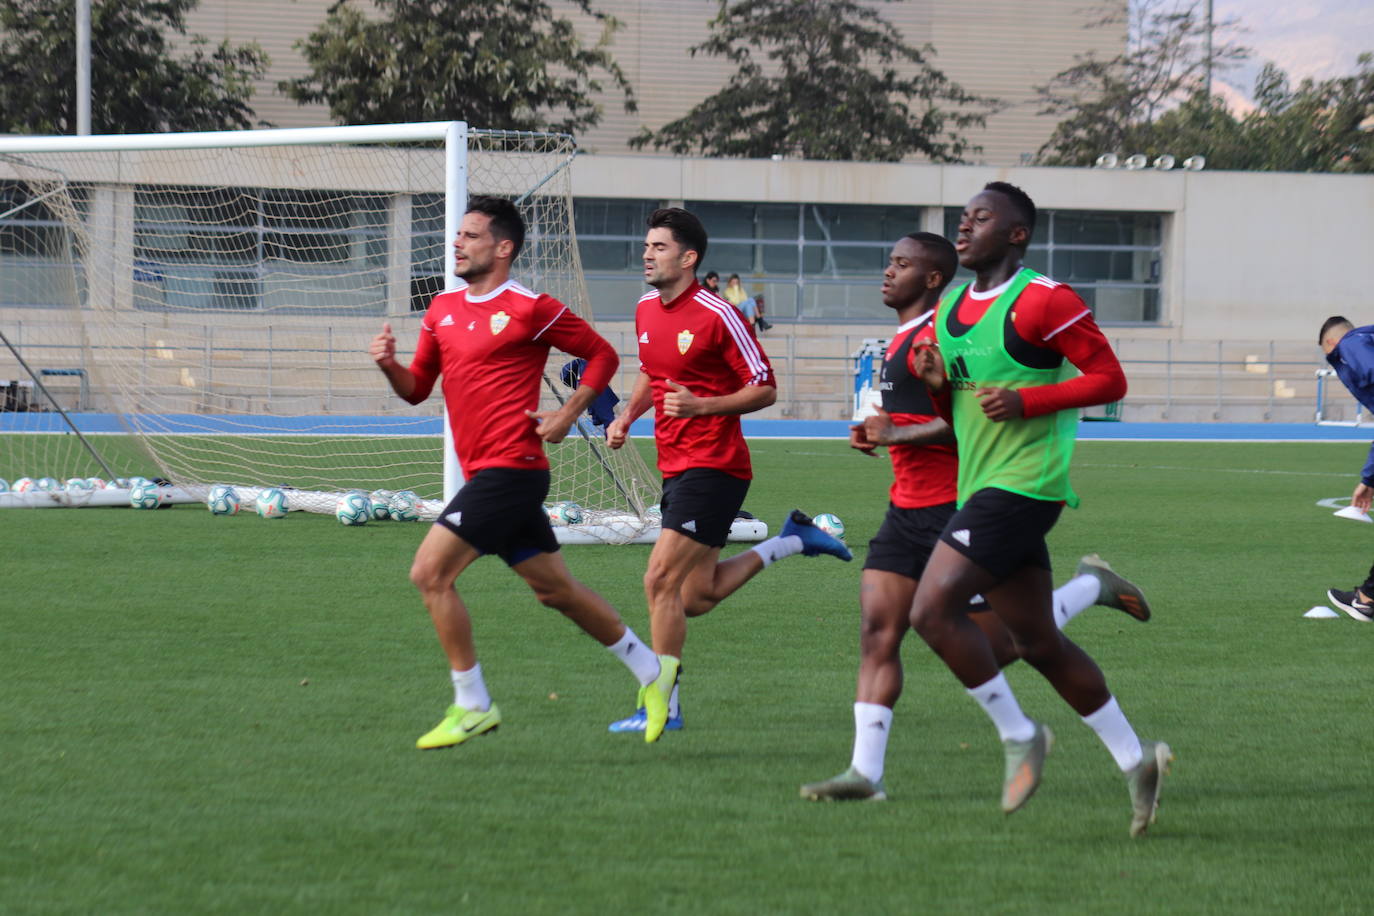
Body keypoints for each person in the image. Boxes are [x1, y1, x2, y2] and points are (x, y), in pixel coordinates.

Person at [800, 232, 1152, 803]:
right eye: (889, 261)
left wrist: (899, 434)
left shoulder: (946, 332)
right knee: (878, 632)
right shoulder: (903, 338)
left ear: (933, 278)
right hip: (905, 507)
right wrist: (877, 429)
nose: (888, 271)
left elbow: (970, 423)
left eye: (901, 264)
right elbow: (923, 412)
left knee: (1011, 644)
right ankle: (866, 774)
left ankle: (1089, 590)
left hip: (959, 505)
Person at [907, 182, 1171, 837]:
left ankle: (1021, 736)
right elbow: (960, 413)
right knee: (1036, 643)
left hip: (1027, 485)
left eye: (980, 218)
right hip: (981, 485)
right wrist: (937, 389)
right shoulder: (949, 309)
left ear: (1016, 234)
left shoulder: (1045, 300)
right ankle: (1136, 759)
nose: (963, 227)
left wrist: (1029, 401)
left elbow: (1111, 380)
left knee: (930, 611)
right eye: (962, 218)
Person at [369, 195, 676, 748]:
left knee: (429, 574)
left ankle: (472, 704)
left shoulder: (530, 307)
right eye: (458, 235)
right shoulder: (440, 310)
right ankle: (652, 672)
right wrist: (390, 365)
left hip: (512, 470)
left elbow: (602, 355)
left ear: (503, 248)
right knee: (556, 591)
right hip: (490, 475)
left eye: (470, 236)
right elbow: (416, 389)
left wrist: (567, 413)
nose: (457, 243)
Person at [604, 207, 851, 734]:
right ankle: (792, 540)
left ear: (688, 258)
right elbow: (652, 372)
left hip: (715, 466)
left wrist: (703, 407)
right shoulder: (645, 307)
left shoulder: (718, 313)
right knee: (697, 596)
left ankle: (664, 707)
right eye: (646, 246)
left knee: (658, 580)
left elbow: (765, 387)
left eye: (659, 247)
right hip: (675, 465)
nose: (647, 255)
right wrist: (627, 416)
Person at [1319, 316, 1374, 622]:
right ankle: (1368, 597)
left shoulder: (1351, 344)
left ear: (1330, 343)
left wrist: (1369, 477)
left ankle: (1367, 599)